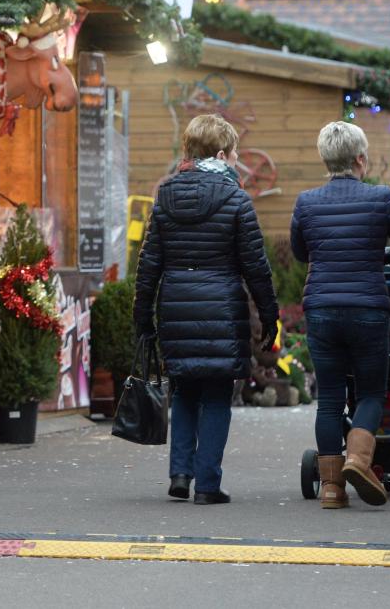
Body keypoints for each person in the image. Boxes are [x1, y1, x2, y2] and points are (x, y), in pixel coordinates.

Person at [134, 114, 279, 505]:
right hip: (222, 305)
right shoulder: (235, 199)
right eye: (234, 154)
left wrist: (142, 316)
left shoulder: (165, 196)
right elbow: (255, 265)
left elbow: (150, 263)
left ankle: (180, 473)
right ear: (220, 153)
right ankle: (208, 483)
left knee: (183, 389)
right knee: (216, 393)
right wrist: (270, 315)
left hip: (176, 304)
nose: (236, 162)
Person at [290, 121, 390, 509]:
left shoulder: (306, 202)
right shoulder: (381, 198)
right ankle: (358, 461)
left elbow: (301, 253)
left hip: (322, 309)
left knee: (329, 398)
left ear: (324, 158)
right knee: (371, 392)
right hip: (367, 309)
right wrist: (383, 256)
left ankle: (331, 489)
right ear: (360, 158)